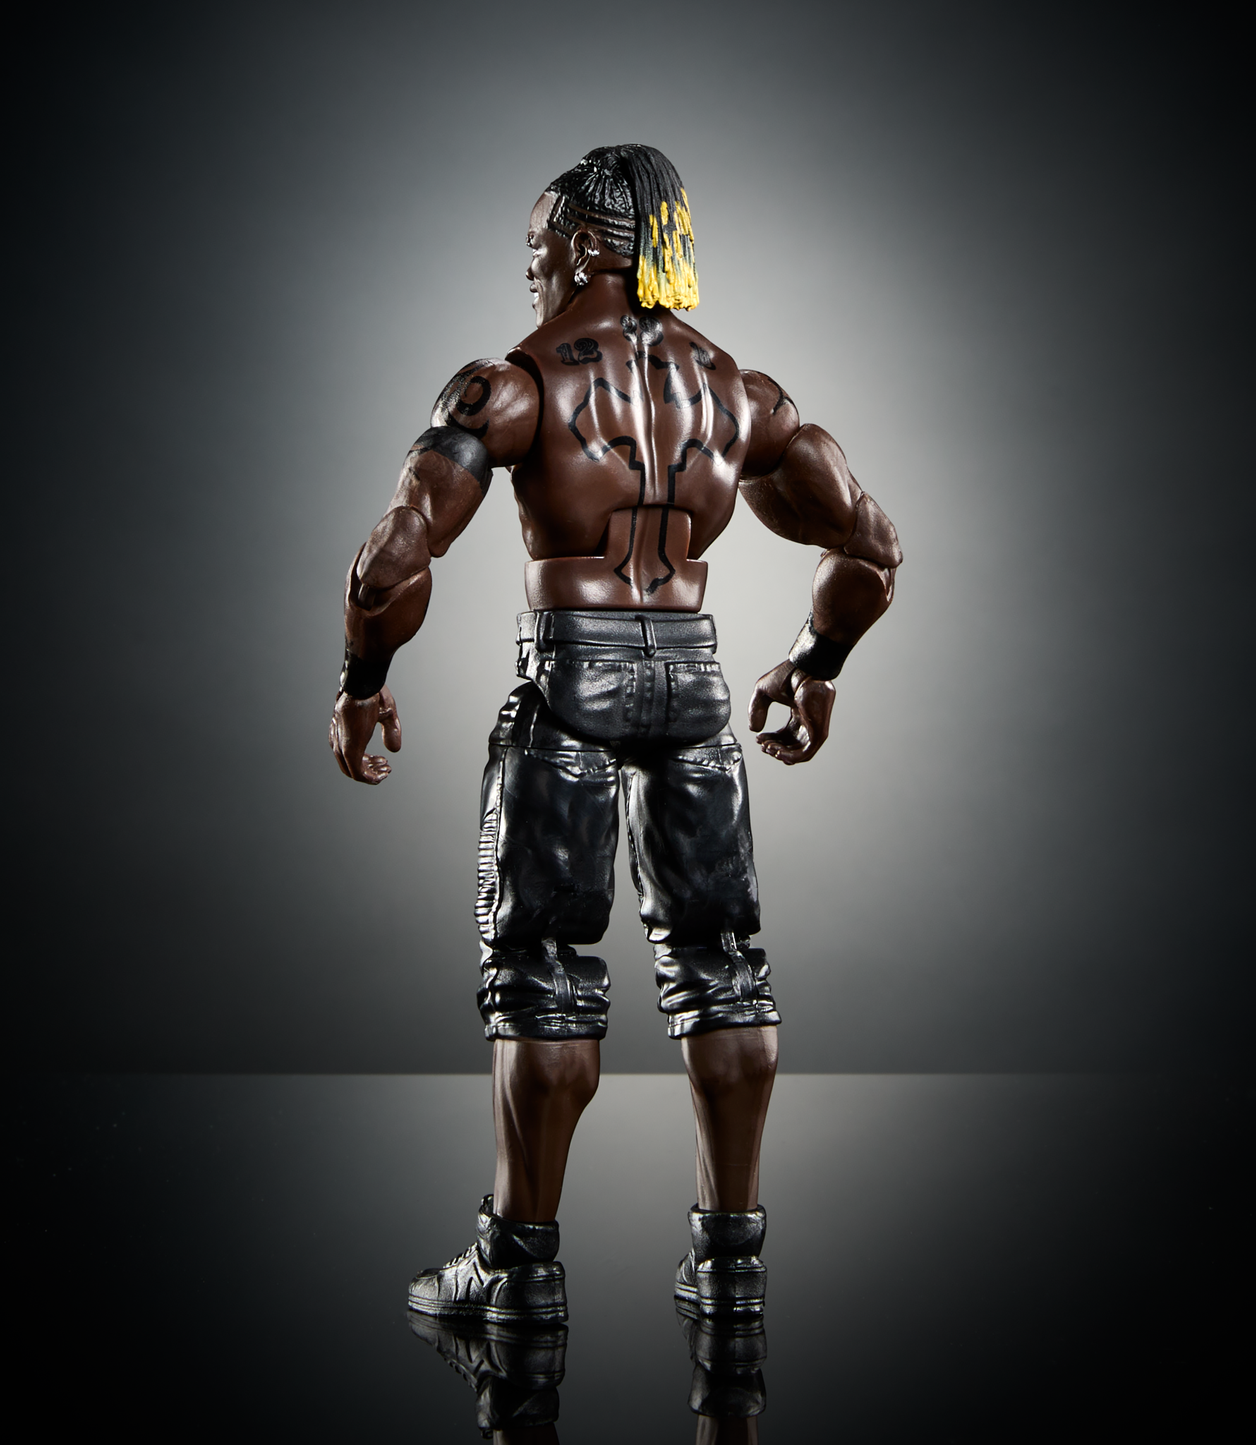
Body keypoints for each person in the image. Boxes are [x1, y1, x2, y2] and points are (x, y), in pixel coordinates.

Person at [329, 145, 901, 1326]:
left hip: (571, 682)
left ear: (585, 246)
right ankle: (731, 1267)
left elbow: (391, 561)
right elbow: (869, 543)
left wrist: (362, 680)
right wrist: (815, 663)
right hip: (692, 683)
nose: (530, 272)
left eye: (536, 250)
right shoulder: (737, 393)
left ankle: (517, 1269)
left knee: (541, 972)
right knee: (723, 961)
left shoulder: (512, 386)